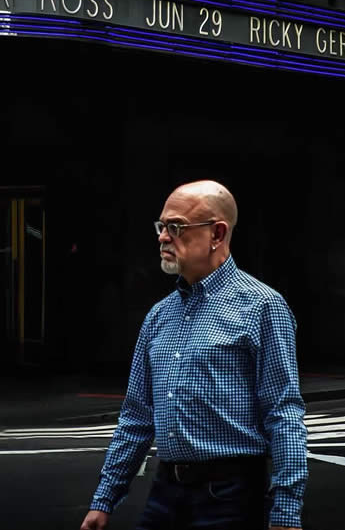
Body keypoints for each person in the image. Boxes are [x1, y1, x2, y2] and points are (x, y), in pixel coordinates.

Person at [79, 181, 306, 530]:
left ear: (217, 234)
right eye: (161, 227)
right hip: (166, 490)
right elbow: (137, 416)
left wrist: (286, 511)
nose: (162, 237)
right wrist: (104, 499)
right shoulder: (158, 316)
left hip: (231, 494)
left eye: (176, 227)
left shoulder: (262, 307)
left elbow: (283, 412)